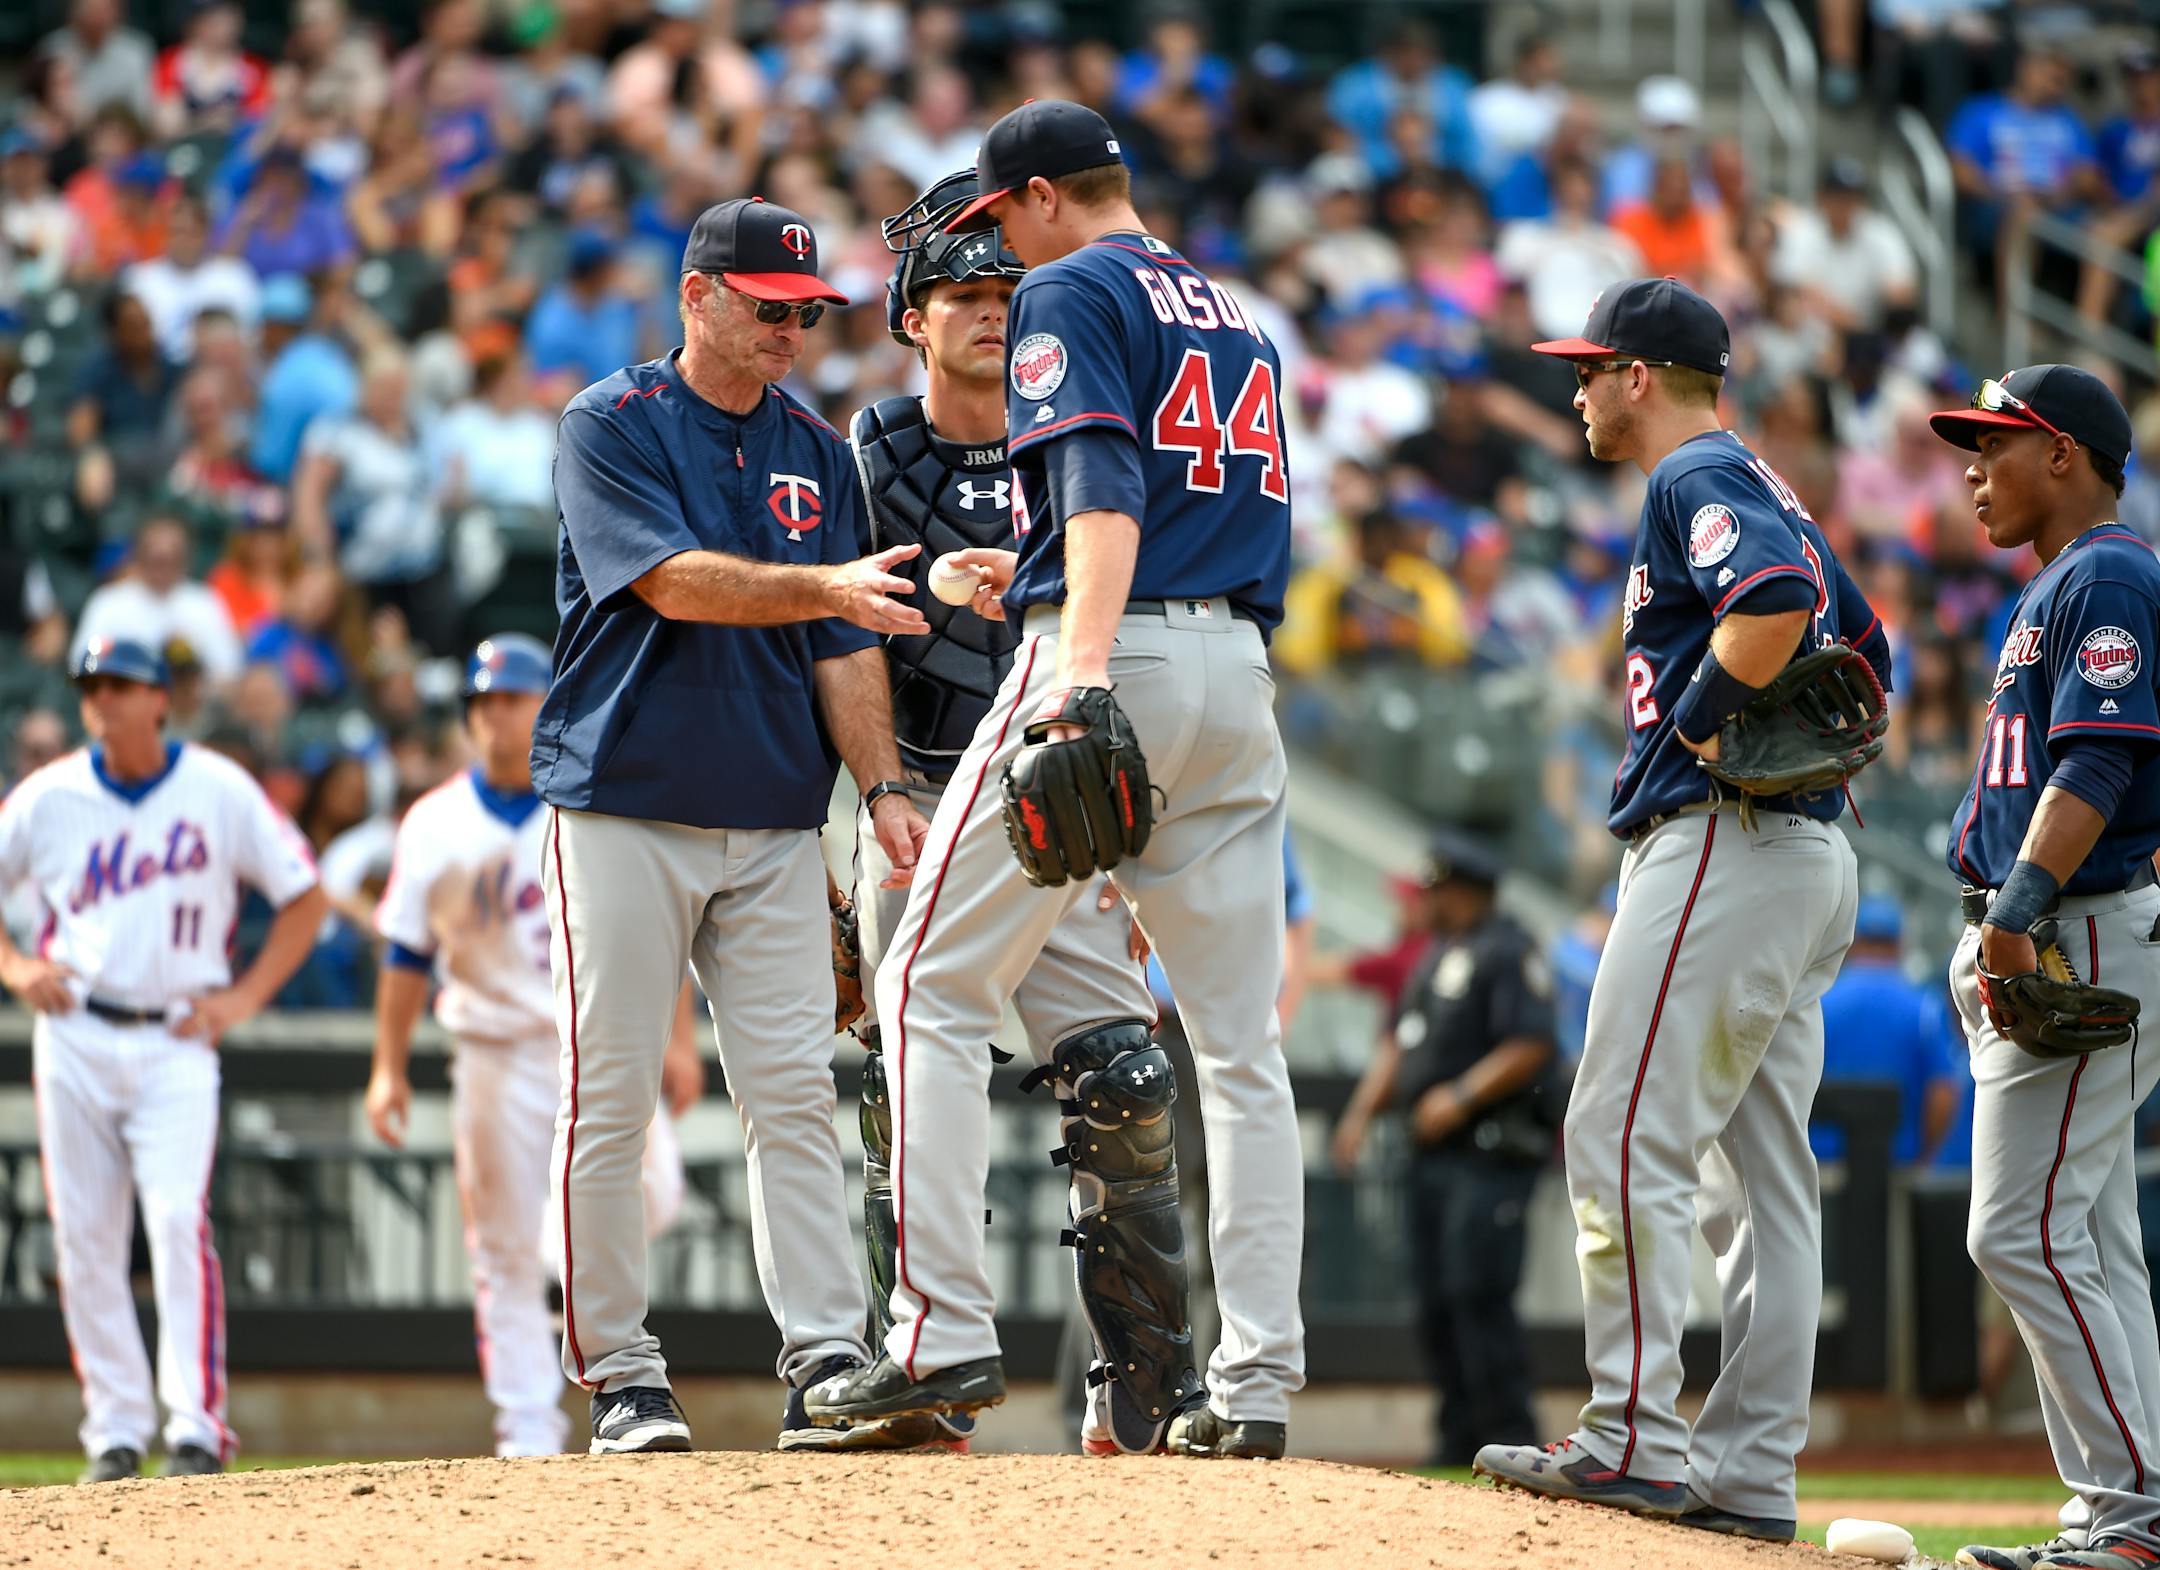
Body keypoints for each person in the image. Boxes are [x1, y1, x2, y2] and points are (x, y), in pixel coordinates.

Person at [805, 99, 1306, 1462]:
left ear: (1035, 197)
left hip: (1107, 653)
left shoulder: (1072, 284)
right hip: (1237, 669)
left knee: (921, 980)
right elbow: (1202, 503)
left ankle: (937, 1337)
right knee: (1240, 1046)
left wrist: (1076, 670)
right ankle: (1254, 1380)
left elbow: (1101, 490)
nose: (997, 252)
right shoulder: (1232, 308)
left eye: (996, 219)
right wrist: (1020, 576)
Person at [1472, 279, 1889, 1540]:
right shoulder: (1775, 487)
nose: (1580, 390)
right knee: (1762, 1183)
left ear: (1642, 375)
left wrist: (1706, 724)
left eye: (1593, 369)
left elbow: (1774, 605)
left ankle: (1635, 1437)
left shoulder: (1690, 476)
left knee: (1619, 1129)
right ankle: (1749, 1472)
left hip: (1725, 843)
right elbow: (1874, 658)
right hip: (1804, 861)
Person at [535, 196, 931, 1456]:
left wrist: (879, 791)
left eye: (806, 311)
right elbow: (668, 581)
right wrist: (828, 588)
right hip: (624, 798)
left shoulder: (817, 447)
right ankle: (621, 1371)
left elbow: (843, 643)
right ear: (697, 296)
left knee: (792, 1096)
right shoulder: (613, 421)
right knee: (611, 1099)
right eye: (769, 307)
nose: (792, 329)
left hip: (769, 813)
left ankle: (823, 1354)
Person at [841, 170, 1194, 1456]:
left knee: (1123, 1074)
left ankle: (1144, 1385)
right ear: (913, 315)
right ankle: (924, 1366)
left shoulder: (1076, 429)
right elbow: (843, 649)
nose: (992, 314)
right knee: (908, 1076)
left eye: (1006, 291)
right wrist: (870, 805)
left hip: (1053, 799)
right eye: (964, 294)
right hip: (925, 793)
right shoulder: (868, 454)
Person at [1926, 365, 2160, 1570]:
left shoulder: (2109, 569)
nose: (1971, 467)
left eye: (1994, 444)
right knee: (2093, 1236)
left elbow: (2100, 763)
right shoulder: (2059, 584)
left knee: (2016, 1231)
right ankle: (2125, 1507)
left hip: (2077, 922)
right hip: (2061, 919)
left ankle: (2133, 1517)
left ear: (2063, 453)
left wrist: (2015, 915)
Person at [0, 637, 327, 1481]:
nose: (104, 699)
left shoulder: (216, 787)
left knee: (178, 1222)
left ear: (160, 700)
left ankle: (194, 1428)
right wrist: (16, 966)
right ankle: (113, 1430)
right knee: (83, 1236)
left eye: (122, 684)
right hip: (75, 1032)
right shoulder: (49, 796)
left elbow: (304, 893)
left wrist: (243, 1000)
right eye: (92, 686)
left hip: (178, 1035)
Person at [366, 634, 693, 1457]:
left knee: (661, 1191)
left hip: (597, 1034)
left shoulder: (590, 796)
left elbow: (663, 927)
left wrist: (680, 1039)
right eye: (481, 703)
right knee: (500, 1247)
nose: (494, 716)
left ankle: (565, 1260)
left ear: (546, 703)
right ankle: (526, 1427)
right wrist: (386, 1068)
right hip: (493, 1049)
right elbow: (406, 955)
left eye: (510, 698)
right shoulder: (433, 821)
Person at [1331, 828, 1559, 1466]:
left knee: (1478, 1291)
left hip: (1489, 1155)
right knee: (1435, 1297)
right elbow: (1400, 1044)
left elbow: (1532, 1042)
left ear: (1461, 890)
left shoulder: (1509, 951)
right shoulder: (1434, 956)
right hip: (1431, 1157)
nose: (1421, 899)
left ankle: (1509, 1432)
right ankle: (1460, 1437)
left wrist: (1459, 1095)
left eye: (1433, 888)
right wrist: (1359, 1114)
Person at [1811, 894, 1960, 1167]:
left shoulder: (1819, 1003)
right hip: (1893, 1171)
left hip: (1820, 1171)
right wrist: (1923, 1156)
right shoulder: (1923, 1009)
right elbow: (1943, 1094)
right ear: (1899, 943)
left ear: (1854, 940)